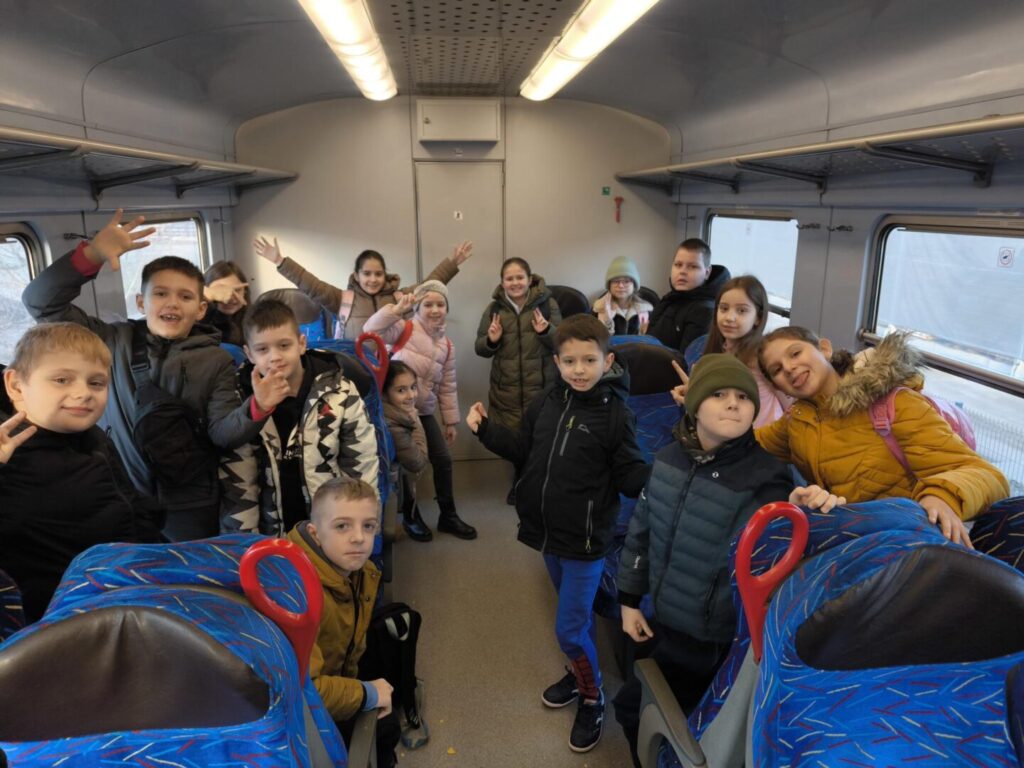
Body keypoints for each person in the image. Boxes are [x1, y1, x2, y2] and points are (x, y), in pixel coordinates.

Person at [612, 353, 843, 766]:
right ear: (694, 404)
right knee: (649, 708)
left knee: (637, 709)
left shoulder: (766, 476)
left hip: (712, 636)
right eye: (718, 394)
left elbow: (778, 540)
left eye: (743, 396)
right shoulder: (667, 460)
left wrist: (799, 506)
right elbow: (642, 532)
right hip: (664, 616)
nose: (733, 403)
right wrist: (629, 600)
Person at [21, 210, 270, 541]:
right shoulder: (110, 341)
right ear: (141, 302)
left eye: (185, 296)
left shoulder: (217, 361)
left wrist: (258, 407)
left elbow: (223, 434)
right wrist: (92, 255)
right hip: (122, 494)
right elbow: (40, 303)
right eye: (161, 294)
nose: (172, 303)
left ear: (201, 309)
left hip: (189, 504)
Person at [466, 314, 650, 754]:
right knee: (577, 623)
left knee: (568, 629)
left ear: (608, 362)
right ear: (557, 362)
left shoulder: (615, 416)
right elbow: (522, 449)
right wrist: (486, 431)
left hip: (586, 542)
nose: (579, 370)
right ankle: (579, 670)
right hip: (547, 534)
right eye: (570, 361)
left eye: (589, 360)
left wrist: (664, 474)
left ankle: (592, 695)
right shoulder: (547, 401)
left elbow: (629, 476)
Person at [756, 328, 1010, 545]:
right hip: (853, 543)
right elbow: (750, 442)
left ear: (824, 349)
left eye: (795, 353)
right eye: (777, 370)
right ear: (777, 386)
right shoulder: (797, 421)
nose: (789, 368)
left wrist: (942, 497)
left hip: (905, 542)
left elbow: (987, 475)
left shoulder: (893, 404)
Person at [0, 323, 163, 622]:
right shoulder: (9, 457)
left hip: (123, 600)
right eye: (61, 380)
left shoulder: (95, 439)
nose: (83, 393)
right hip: (53, 622)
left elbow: (131, 509)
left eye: (96, 383)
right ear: (16, 386)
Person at [219, 299, 379, 535]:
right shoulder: (242, 401)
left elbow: (360, 463)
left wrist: (358, 527)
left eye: (284, 345)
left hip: (331, 526)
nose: (275, 357)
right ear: (249, 354)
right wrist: (243, 545)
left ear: (302, 344)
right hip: (271, 532)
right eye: (262, 349)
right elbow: (239, 482)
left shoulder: (340, 392)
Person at [287, 477, 400, 768]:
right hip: (303, 714)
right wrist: (367, 693)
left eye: (369, 526)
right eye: (342, 526)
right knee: (386, 727)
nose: (359, 538)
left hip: (337, 671)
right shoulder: (297, 591)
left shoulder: (358, 571)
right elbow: (306, 693)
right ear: (315, 534)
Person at [364, 281, 476, 539]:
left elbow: (447, 385)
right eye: (428, 304)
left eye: (440, 304)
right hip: (396, 413)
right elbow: (370, 330)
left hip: (423, 411)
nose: (435, 310)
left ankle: (448, 516)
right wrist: (395, 310)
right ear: (417, 307)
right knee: (407, 466)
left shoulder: (447, 345)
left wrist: (450, 421)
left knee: (443, 460)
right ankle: (411, 516)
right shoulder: (403, 328)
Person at [254, 236, 473, 341]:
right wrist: (280, 261)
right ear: (357, 275)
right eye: (367, 274)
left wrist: (452, 263)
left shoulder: (398, 297)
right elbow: (311, 285)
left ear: (385, 274)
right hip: (357, 373)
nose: (373, 279)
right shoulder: (343, 299)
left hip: (394, 373)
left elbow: (429, 285)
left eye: (378, 274)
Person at [474, 257, 563, 504]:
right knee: (514, 438)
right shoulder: (494, 309)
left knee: (540, 436)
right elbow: (480, 348)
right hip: (507, 388)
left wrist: (546, 331)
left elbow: (563, 343)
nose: (515, 283)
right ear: (502, 282)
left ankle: (537, 482)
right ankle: (520, 480)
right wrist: (491, 340)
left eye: (519, 277)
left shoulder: (548, 304)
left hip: (541, 387)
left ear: (529, 279)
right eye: (509, 278)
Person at [679, 275, 793, 427]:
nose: (729, 317)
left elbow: (791, 405)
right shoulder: (718, 350)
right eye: (724, 308)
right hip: (729, 432)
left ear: (758, 318)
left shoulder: (763, 355)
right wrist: (693, 393)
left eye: (741, 311)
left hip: (764, 437)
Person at [648, 238, 730, 355]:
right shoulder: (672, 298)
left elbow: (685, 361)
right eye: (678, 265)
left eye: (693, 266)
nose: (682, 271)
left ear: (707, 273)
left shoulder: (704, 311)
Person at [382, 361, 432, 542]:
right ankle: (410, 518)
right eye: (401, 390)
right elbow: (418, 462)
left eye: (413, 387)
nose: (411, 395)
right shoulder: (394, 424)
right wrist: (414, 421)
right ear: (385, 393)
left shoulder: (393, 411)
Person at [592, 256, 653, 336]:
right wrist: (607, 323)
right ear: (609, 285)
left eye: (626, 281)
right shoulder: (598, 309)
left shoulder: (646, 310)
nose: (620, 285)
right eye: (616, 281)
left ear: (634, 285)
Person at [203, 261, 250, 346]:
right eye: (220, 290)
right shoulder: (196, 324)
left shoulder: (256, 319)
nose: (229, 297)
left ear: (245, 291)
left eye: (237, 290)